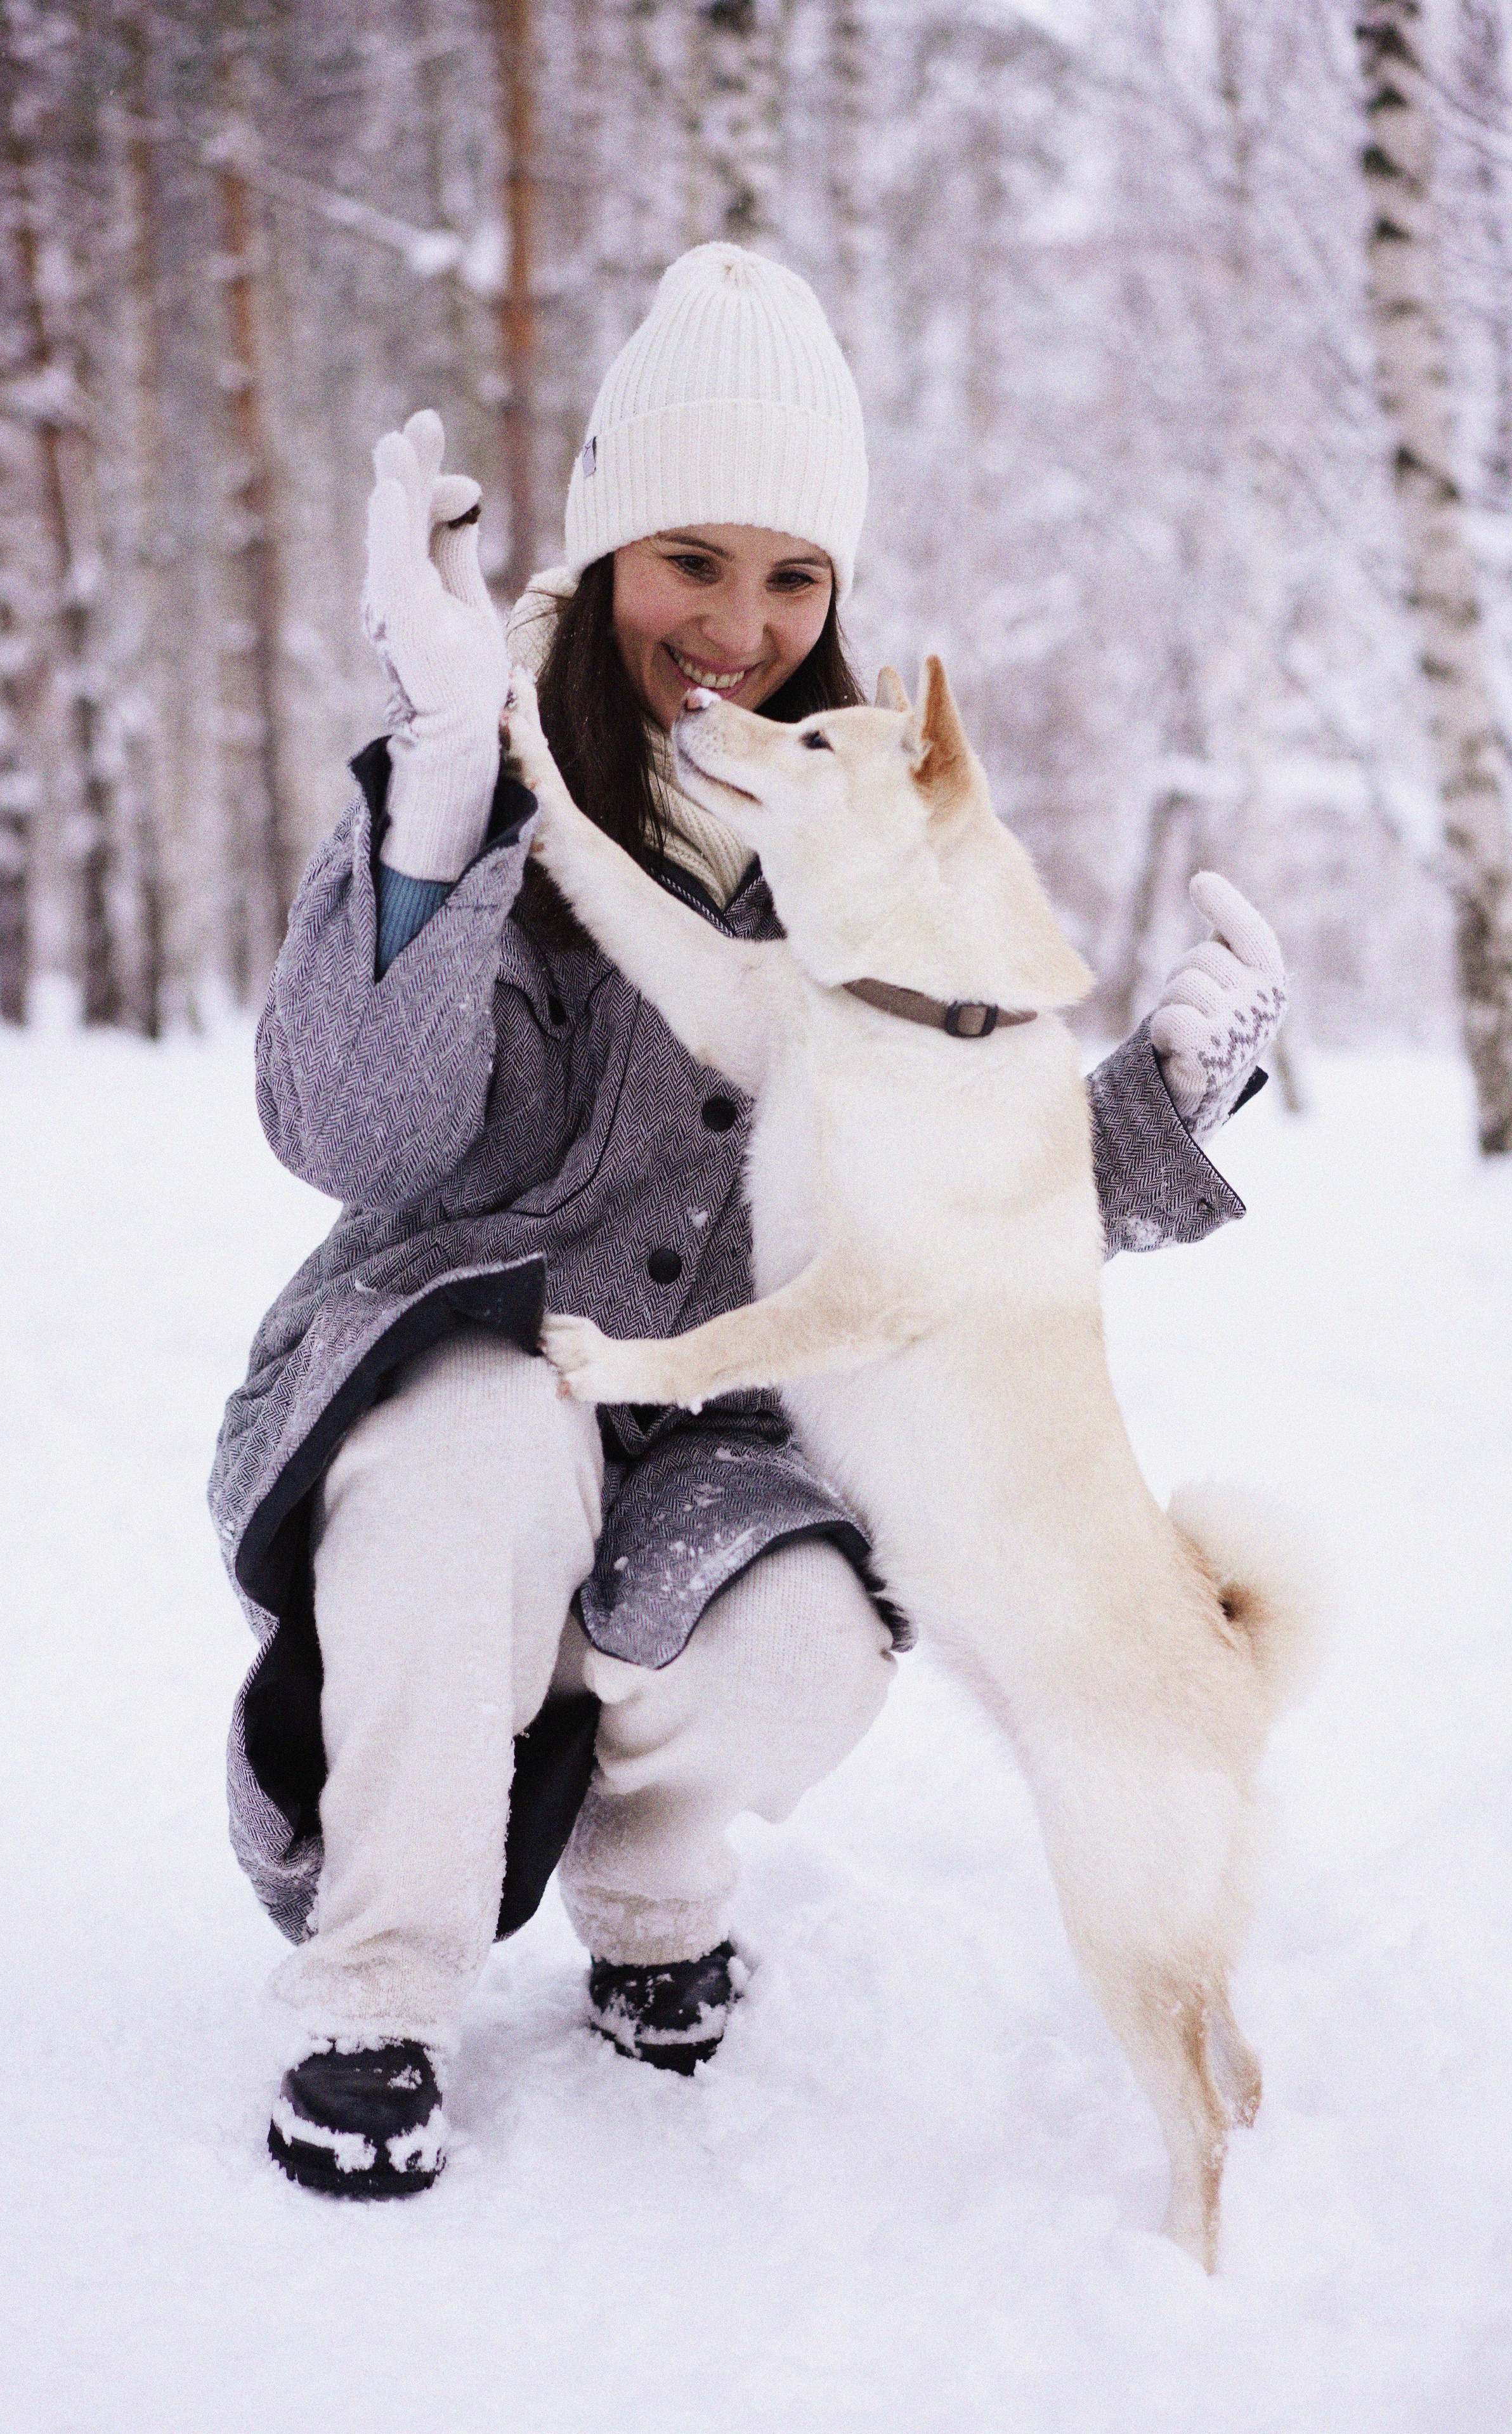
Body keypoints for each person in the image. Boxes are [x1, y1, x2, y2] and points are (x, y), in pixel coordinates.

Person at [209, 243, 1287, 2201]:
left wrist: (1164, 1098)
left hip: (719, 1419)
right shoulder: (482, 760)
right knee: (470, 1468)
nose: (741, 626)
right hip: (477, 1360)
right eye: (689, 561)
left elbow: (961, 1218)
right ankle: (379, 1988)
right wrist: (448, 776)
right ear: (610, 548)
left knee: (803, 1626)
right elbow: (350, 1130)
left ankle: (650, 1892)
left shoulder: (870, 815)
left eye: (794, 578)